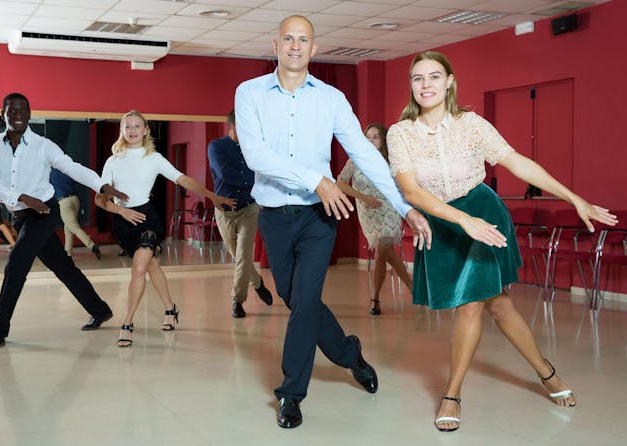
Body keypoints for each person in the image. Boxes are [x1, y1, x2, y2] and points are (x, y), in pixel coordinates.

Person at [387, 50, 617, 432]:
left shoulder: (473, 125)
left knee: (471, 306)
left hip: (484, 213)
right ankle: (547, 372)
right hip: (446, 222)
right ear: (411, 85)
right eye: (417, 78)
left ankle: (452, 394)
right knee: (498, 304)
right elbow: (411, 192)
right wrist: (463, 221)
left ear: (449, 82)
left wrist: (574, 198)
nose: (425, 85)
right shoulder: (401, 133)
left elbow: (517, 162)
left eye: (433, 76)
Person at [235, 15, 432, 429]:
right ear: (275, 45)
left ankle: (291, 394)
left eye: (303, 40)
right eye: (287, 38)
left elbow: (364, 153)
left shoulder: (331, 98)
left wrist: (403, 206)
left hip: (319, 217)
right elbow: (255, 155)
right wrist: (316, 179)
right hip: (274, 215)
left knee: (304, 302)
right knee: (297, 299)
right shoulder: (249, 93)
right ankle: (350, 355)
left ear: (314, 48)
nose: (294, 46)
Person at [0, 92, 126, 348]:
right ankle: (100, 309)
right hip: (19, 215)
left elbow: (72, 167)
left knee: (16, 263)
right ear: (2, 114)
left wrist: (102, 185)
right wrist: (22, 196)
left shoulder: (43, 145)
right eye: (11, 110)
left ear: (30, 114)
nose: (18, 115)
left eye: (23, 110)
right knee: (63, 267)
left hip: (44, 213)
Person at [95, 110, 235, 347]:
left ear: (146, 129)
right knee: (151, 265)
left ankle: (127, 323)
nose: (132, 131)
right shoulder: (113, 160)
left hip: (147, 218)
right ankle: (171, 308)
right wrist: (121, 211)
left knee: (139, 268)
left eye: (137, 126)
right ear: (122, 130)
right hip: (123, 220)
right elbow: (100, 199)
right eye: (127, 126)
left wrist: (212, 196)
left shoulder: (154, 158)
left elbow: (182, 179)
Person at [336, 123, 414, 315]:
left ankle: (375, 299)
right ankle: (415, 289)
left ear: (383, 140)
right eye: (368, 136)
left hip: (389, 210)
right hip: (367, 212)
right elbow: (340, 184)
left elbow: (403, 185)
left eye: (376, 136)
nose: (371, 140)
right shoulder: (355, 159)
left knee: (381, 252)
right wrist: (364, 198)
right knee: (388, 254)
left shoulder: (391, 160)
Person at [207, 110, 273, 318]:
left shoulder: (253, 149)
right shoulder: (216, 147)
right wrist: (252, 180)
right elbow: (225, 173)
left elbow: (262, 171)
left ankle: (237, 300)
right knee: (238, 258)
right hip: (224, 213)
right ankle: (258, 282)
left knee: (243, 256)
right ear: (233, 126)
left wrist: (254, 178)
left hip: (249, 209)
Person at [50, 167, 101, 259]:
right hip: (75, 199)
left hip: (64, 201)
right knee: (68, 227)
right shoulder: (66, 169)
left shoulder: (48, 172)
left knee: (73, 227)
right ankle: (67, 253)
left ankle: (92, 246)